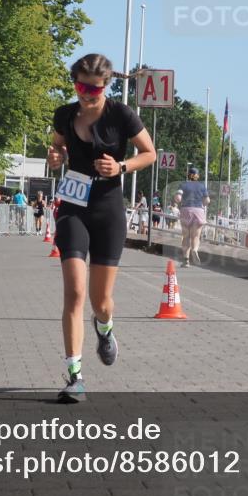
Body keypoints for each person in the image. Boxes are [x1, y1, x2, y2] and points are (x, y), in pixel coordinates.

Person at [47, 53, 156, 402]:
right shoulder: (65, 114)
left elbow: (149, 152)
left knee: (101, 301)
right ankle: (75, 376)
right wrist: (55, 157)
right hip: (73, 208)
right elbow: (56, 146)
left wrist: (121, 166)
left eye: (93, 88)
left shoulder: (121, 115)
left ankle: (105, 328)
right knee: (75, 294)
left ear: (106, 86)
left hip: (108, 209)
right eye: (79, 86)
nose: (86, 93)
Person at [176, 166, 209, 267]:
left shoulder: (183, 185)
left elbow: (178, 198)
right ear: (197, 176)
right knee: (195, 235)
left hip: (186, 210)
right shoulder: (202, 186)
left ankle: (186, 260)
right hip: (198, 211)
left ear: (188, 175)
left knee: (186, 236)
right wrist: (202, 203)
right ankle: (195, 249)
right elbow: (207, 201)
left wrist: (179, 201)